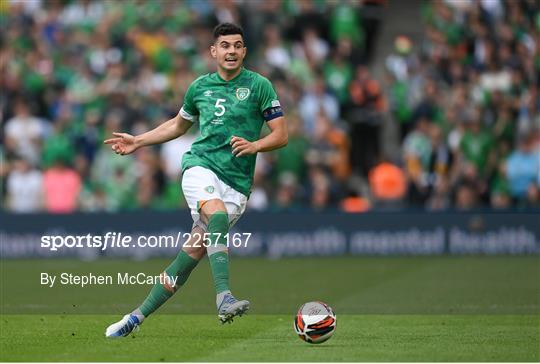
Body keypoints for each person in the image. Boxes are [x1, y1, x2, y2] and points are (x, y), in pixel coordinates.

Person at [103, 23, 287, 337]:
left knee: (192, 253)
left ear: (244, 51)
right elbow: (178, 126)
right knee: (214, 214)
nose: (231, 51)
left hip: (238, 183)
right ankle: (224, 297)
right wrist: (139, 141)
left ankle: (134, 318)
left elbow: (281, 134)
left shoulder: (260, 86)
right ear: (213, 52)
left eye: (237, 45)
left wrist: (256, 145)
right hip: (200, 166)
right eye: (225, 45)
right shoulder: (199, 87)